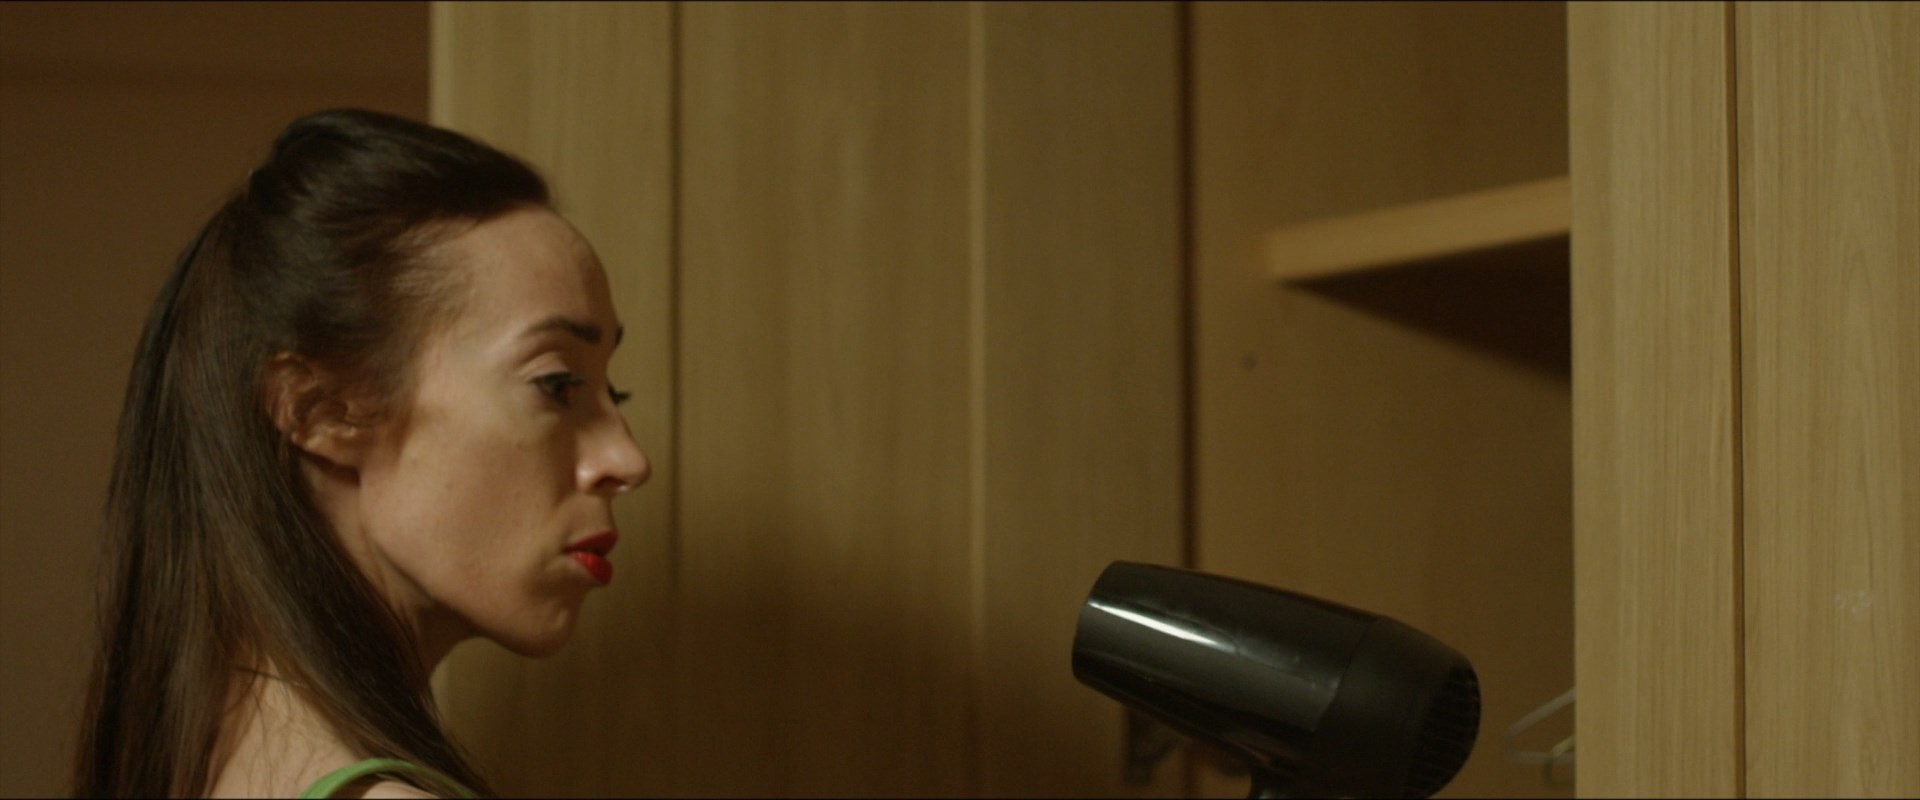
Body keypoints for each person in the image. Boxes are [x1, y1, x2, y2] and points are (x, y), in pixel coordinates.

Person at [70, 108, 651, 798]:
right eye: (557, 384)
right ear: (319, 410)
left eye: (613, 392)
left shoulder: (200, 767)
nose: (627, 460)